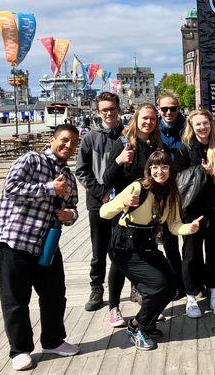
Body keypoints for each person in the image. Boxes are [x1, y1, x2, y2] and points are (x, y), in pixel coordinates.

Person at [0, 124, 81, 371]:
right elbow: (11, 188)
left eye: (74, 143)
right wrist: (49, 188)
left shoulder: (69, 176)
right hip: (15, 241)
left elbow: (73, 207)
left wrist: (70, 215)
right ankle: (19, 350)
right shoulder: (31, 160)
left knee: (55, 295)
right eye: (65, 140)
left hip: (47, 244)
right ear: (53, 139)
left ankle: (53, 341)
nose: (69, 146)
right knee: (15, 300)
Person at [101, 151, 204, 351]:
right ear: (149, 169)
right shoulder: (138, 187)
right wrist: (123, 202)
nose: (159, 171)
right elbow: (104, 213)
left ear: (170, 170)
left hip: (147, 242)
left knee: (172, 285)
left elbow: (174, 225)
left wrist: (188, 228)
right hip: (124, 245)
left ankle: (138, 324)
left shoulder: (172, 193)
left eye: (164, 167)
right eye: (154, 167)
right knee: (157, 285)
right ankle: (140, 329)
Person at [102, 103, 167, 326]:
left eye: (152, 119)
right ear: (136, 119)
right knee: (120, 259)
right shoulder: (122, 143)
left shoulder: (156, 145)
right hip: (124, 210)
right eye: (144, 118)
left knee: (146, 253)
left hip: (148, 211)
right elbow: (107, 180)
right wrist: (119, 161)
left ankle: (146, 297)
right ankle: (113, 307)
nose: (148, 122)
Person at [175, 109, 215, 318]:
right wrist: (202, 171)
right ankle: (191, 297)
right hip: (192, 211)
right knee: (191, 255)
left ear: (211, 124)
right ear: (191, 127)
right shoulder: (184, 150)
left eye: (206, 123)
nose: (202, 127)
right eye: (198, 124)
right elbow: (178, 181)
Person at [75, 92, 127, 313]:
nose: (108, 113)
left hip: (124, 200)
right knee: (99, 249)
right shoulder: (90, 138)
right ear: (98, 113)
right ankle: (97, 288)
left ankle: (133, 286)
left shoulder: (127, 136)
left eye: (112, 109)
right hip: (98, 202)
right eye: (104, 110)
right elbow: (82, 170)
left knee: (125, 245)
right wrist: (101, 192)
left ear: (119, 110)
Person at [156, 91, 186, 299]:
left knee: (192, 239)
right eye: (164, 109)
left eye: (172, 108)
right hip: (163, 192)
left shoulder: (187, 128)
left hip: (186, 190)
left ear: (178, 109)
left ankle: (193, 280)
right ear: (159, 109)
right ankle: (177, 283)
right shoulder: (153, 130)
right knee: (169, 241)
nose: (168, 112)